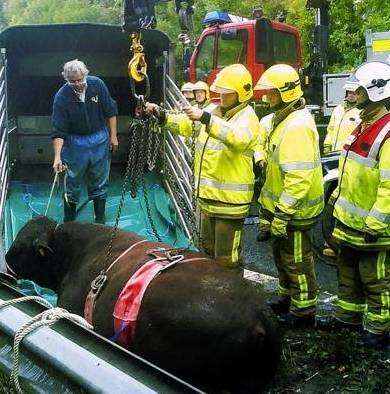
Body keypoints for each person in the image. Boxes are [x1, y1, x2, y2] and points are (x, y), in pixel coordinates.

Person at [146, 64, 263, 269]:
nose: (221, 96)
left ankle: (232, 298)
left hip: (230, 204)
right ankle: (212, 295)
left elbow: (238, 138)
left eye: (227, 93)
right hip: (208, 200)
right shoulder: (213, 110)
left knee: (227, 260)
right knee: (207, 253)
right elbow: (185, 124)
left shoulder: (248, 118)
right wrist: (161, 114)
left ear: (241, 94)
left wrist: (207, 119)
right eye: (220, 92)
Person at [254, 64, 324, 327]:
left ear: (286, 93)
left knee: (297, 260)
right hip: (282, 208)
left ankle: (304, 311)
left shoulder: (296, 127)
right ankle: (286, 297)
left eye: (271, 93)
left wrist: (282, 214)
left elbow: (298, 179)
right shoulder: (281, 119)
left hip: (295, 210)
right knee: (281, 255)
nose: (266, 97)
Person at [327, 61, 390, 349]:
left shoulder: (386, 133)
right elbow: (351, 170)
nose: (356, 94)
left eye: (361, 90)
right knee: (348, 273)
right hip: (350, 224)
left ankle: (378, 330)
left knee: (375, 279)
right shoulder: (363, 124)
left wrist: (376, 223)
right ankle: (347, 319)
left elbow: (388, 186)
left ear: (376, 93)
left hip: (372, 227)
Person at [51, 59, 118, 224]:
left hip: (98, 137)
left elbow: (110, 111)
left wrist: (113, 136)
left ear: (85, 75)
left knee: (100, 178)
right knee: (73, 178)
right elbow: (59, 129)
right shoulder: (61, 96)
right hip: (75, 141)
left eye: (80, 79)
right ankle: (69, 220)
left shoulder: (97, 85)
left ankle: (100, 218)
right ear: (66, 79)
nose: (77, 84)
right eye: (72, 81)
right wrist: (57, 157)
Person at [323, 90, 361, 154]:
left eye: (354, 93)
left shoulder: (361, 111)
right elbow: (331, 129)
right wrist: (327, 145)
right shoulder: (338, 109)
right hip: (334, 151)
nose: (351, 95)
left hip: (349, 152)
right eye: (350, 93)